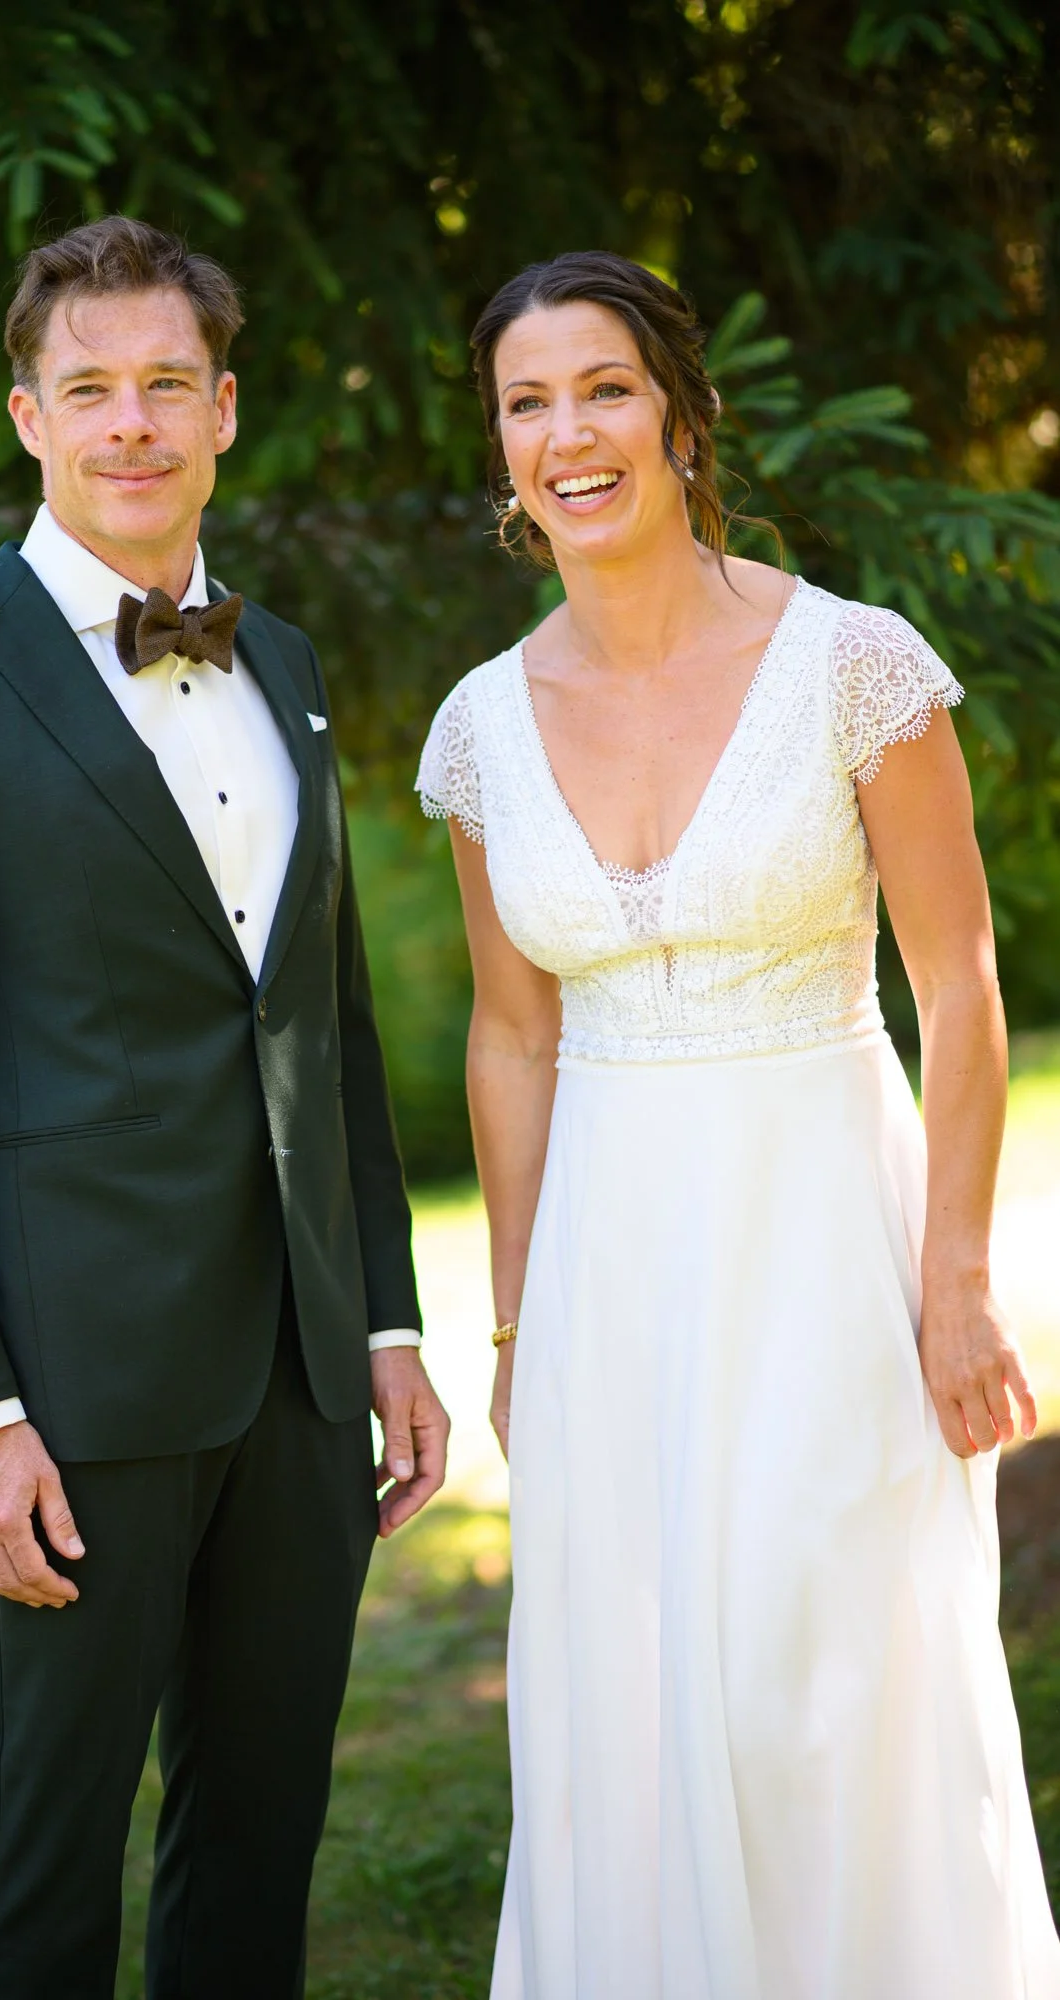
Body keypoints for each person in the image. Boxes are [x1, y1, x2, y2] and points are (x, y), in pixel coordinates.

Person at [0, 214, 449, 2000]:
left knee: (257, 1852)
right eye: (88, 388)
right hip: (69, 1388)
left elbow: (324, 1027)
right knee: (39, 1863)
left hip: (304, 1384)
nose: (132, 424)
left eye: (170, 382)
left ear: (227, 408)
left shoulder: (288, 668)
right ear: (28, 415)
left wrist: (384, 1321)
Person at [416, 250, 1060, 1999]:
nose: (568, 436)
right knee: (624, 1708)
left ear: (682, 416)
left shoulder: (853, 667)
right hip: (609, 1282)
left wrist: (954, 1279)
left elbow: (965, 984)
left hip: (826, 1242)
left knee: (827, 1687)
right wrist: (516, 1325)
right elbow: (511, 1033)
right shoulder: (482, 728)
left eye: (604, 388)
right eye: (526, 405)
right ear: (502, 453)